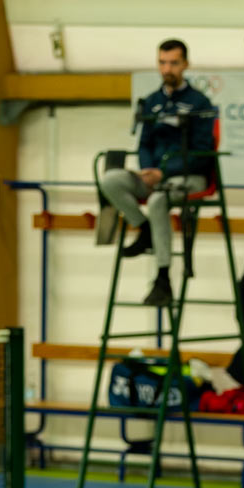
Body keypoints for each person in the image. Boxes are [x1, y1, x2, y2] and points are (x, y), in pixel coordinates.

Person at [99, 38, 215, 308]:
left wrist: (163, 173)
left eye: (173, 63)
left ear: (185, 64)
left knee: (157, 200)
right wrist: (147, 170)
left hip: (187, 177)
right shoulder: (151, 102)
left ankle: (163, 278)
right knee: (111, 180)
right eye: (162, 63)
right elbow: (144, 144)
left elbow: (202, 153)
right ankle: (144, 228)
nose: (167, 69)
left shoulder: (199, 103)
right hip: (155, 176)